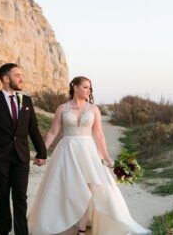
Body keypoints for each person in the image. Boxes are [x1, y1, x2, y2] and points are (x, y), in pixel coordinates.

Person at [27, 76, 150, 235]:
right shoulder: (62, 109)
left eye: (90, 87)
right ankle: (66, 223)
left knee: (87, 190)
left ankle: (82, 230)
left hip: (88, 152)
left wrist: (106, 156)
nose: (89, 90)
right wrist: (41, 153)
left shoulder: (94, 109)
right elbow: (53, 132)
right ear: (75, 87)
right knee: (68, 189)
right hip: (67, 152)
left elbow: (98, 134)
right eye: (85, 87)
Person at [0, 63, 47, 235]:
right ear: (5, 78)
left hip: (21, 157)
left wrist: (42, 152)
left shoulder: (27, 101)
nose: (21, 78)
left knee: (20, 198)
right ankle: (4, 229)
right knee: (1, 196)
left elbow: (33, 129)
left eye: (21, 75)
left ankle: (21, 233)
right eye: (17, 75)